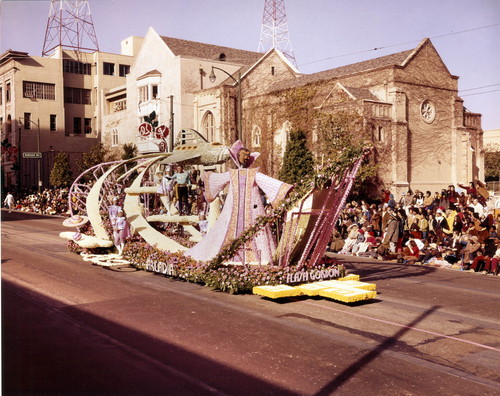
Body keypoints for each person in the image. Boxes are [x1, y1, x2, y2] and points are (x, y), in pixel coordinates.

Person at [185, 140, 293, 264]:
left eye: (248, 156)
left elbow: (267, 182)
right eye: (244, 155)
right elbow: (216, 180)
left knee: (256, 231)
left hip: (252, 209)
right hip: (233, 209)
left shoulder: (253, 173)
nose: (246, 158)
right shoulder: (232, 173)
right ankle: (228, 256)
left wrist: (284, 188)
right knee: (228, 230)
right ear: (237, 156)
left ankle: (259, 258)